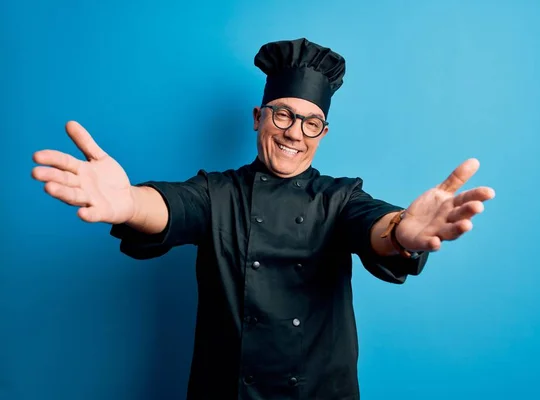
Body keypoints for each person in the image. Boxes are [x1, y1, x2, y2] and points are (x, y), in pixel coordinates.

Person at [31, 38, 495, 399]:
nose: (295, 132)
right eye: (283, 115)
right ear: (258, 117)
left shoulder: (340, 197)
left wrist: (401, 233)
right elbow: (172, 206)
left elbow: (373, 225)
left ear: (323, 133)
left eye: (310, 122)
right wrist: (130, 203)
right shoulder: (218, 192)